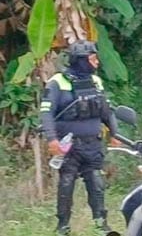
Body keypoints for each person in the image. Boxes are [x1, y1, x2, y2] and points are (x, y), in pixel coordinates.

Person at [40, 40, 120, 235]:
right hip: (69, 147)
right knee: (66, 184)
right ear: (81, 60)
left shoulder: (96, 82)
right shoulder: (57, 82)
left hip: (93, 144)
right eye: (92, 59)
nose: (97, 62)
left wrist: (114, 133)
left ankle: (101, 225)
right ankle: (63, 226)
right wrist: (52, 139)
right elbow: (46, 113)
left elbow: (106, 111)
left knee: (96, 184)